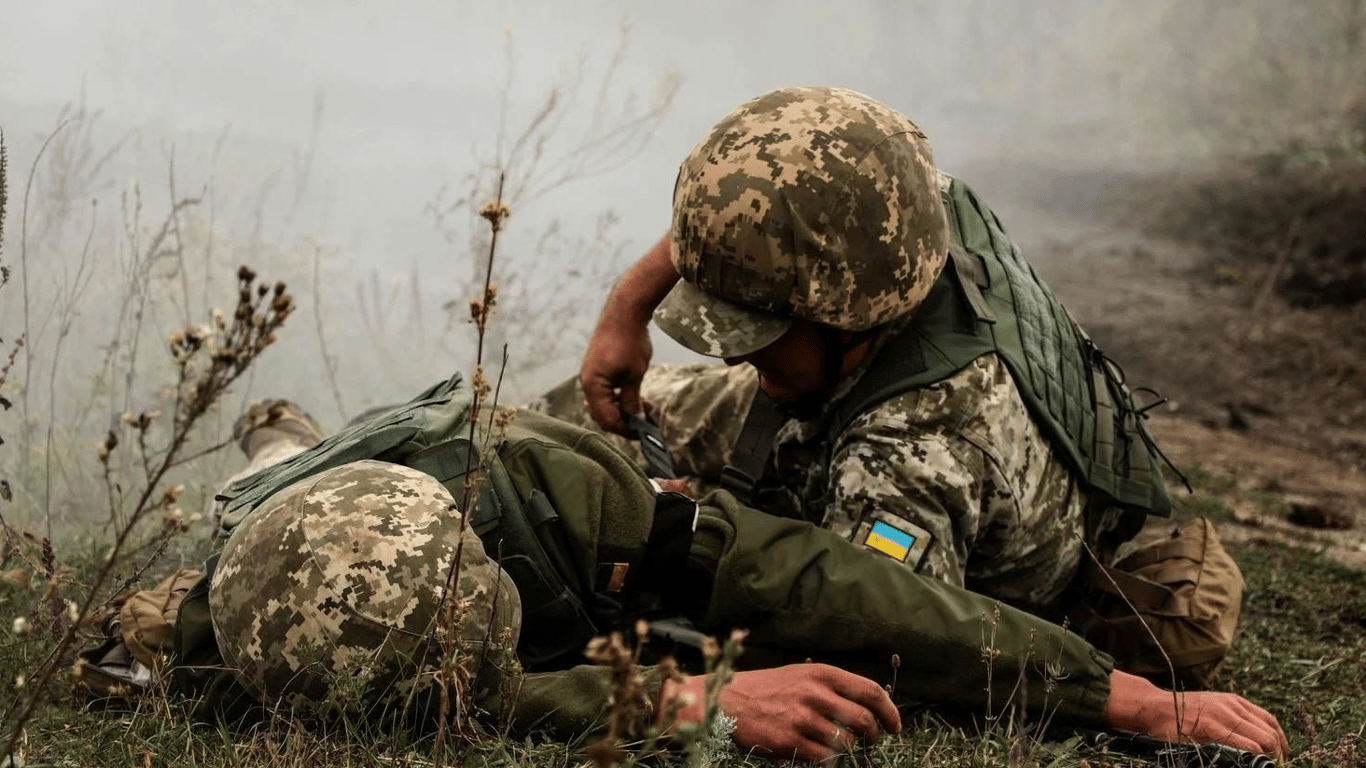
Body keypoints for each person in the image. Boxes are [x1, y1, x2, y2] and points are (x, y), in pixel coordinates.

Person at [177, 373, 1288, 763]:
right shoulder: (214, 632)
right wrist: (671, 701)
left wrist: (1113, 693)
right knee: (276, 459)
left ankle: (288, 424)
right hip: (299, 510)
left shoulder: (570, 498)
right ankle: (281, 432)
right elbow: (461, 700)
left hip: (509, 456)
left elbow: (826, 583)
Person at [538, 85, 1214, 664]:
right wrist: (628, 308)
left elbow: (867, 647)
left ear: (844, 310)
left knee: (614, 514)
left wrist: (696, 548)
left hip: (959, 534)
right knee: (573, 424)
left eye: (759, 332)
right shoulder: (896, 215)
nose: (732, 356)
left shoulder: (909, 458)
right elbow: (759, 210)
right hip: (855, 393)